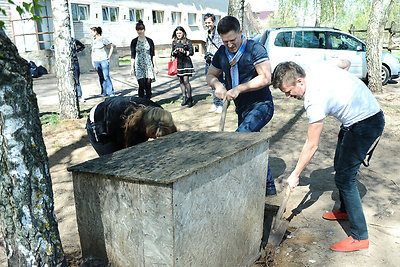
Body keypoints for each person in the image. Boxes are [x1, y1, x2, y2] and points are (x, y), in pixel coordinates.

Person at [272, 61, 385, 252]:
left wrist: (296, 174)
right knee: (339, 166)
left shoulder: (313, 100)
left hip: (366, 124)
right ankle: (345, 211)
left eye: (289, 91)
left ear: (300, 81)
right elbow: (345, 63)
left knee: (345, 178)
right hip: (355, 121)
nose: (289, 96)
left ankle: (360, 237)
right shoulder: (315, 68)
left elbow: (312, 144)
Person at [206, 16, 276, 195]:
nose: (229, 45)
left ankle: (235, 186)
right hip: (242, 109)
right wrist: (218, 85)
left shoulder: (255, 48)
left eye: (232, 40)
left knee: (239, 139)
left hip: (261, 105)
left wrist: (238, 89)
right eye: (225, 41)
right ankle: (269, 189)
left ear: (241, 33)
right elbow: (210, 75)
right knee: (253, 144)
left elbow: (266, 77)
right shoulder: (221, 52)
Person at [86, 96, 177, 156]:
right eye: (153, 135)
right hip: (101, 124)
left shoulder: (159, 112)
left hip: (131, 124)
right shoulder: (119, 119)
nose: (154, 139)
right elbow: (127, 147)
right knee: (115, 162)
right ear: (146, 127)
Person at [130, 20, 158, 99]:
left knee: (148, 84)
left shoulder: (149, 41)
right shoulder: (134, 41)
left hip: (148, 65)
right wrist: (132, 67)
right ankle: (141, 101)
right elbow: (132, 55)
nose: (140, 31)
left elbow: (153, 54)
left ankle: (148, 101)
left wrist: (155, 66)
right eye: (138, 30)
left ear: (144, 30)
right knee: (141, 84)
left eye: (141, 29)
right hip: (138, 65)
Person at [203, 13, 224, 113]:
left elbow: (221, 47)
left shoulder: (219, 33)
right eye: (206, 23)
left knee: (219, 82)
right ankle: (215, 103)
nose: (207, 24)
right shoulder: (207, 33)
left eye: (209, 22)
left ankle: (221, 104)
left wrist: (215, 57)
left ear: (214, 22)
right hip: (208, 62)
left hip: (217, 62)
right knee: (211, 83)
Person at [171, 26, 195, 107]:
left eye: (180, 33)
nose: (178, 34)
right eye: (177, 33)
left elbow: (191, 52)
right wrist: (174, 52)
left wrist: (184, 51)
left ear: (183, 33)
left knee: (186, 81)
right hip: (179, 63)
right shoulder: (174, 42)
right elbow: (172, 53)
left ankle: (190, 98)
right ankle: (184, 97)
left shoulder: (188, 41)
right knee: (180, 81)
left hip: (186, 63)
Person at [90, 26, 115, 97]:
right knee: (101, 77)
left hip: (103, 60)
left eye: (91, 32)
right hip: (96, 61)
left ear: (96, 32)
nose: (90, 34)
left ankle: (111, 92)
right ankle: (103, 92)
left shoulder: (103, 39)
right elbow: (93, 51)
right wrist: (92, 61)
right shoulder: (93, 41)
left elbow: (111, 47)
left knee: (106, 76)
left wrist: (108, 57)